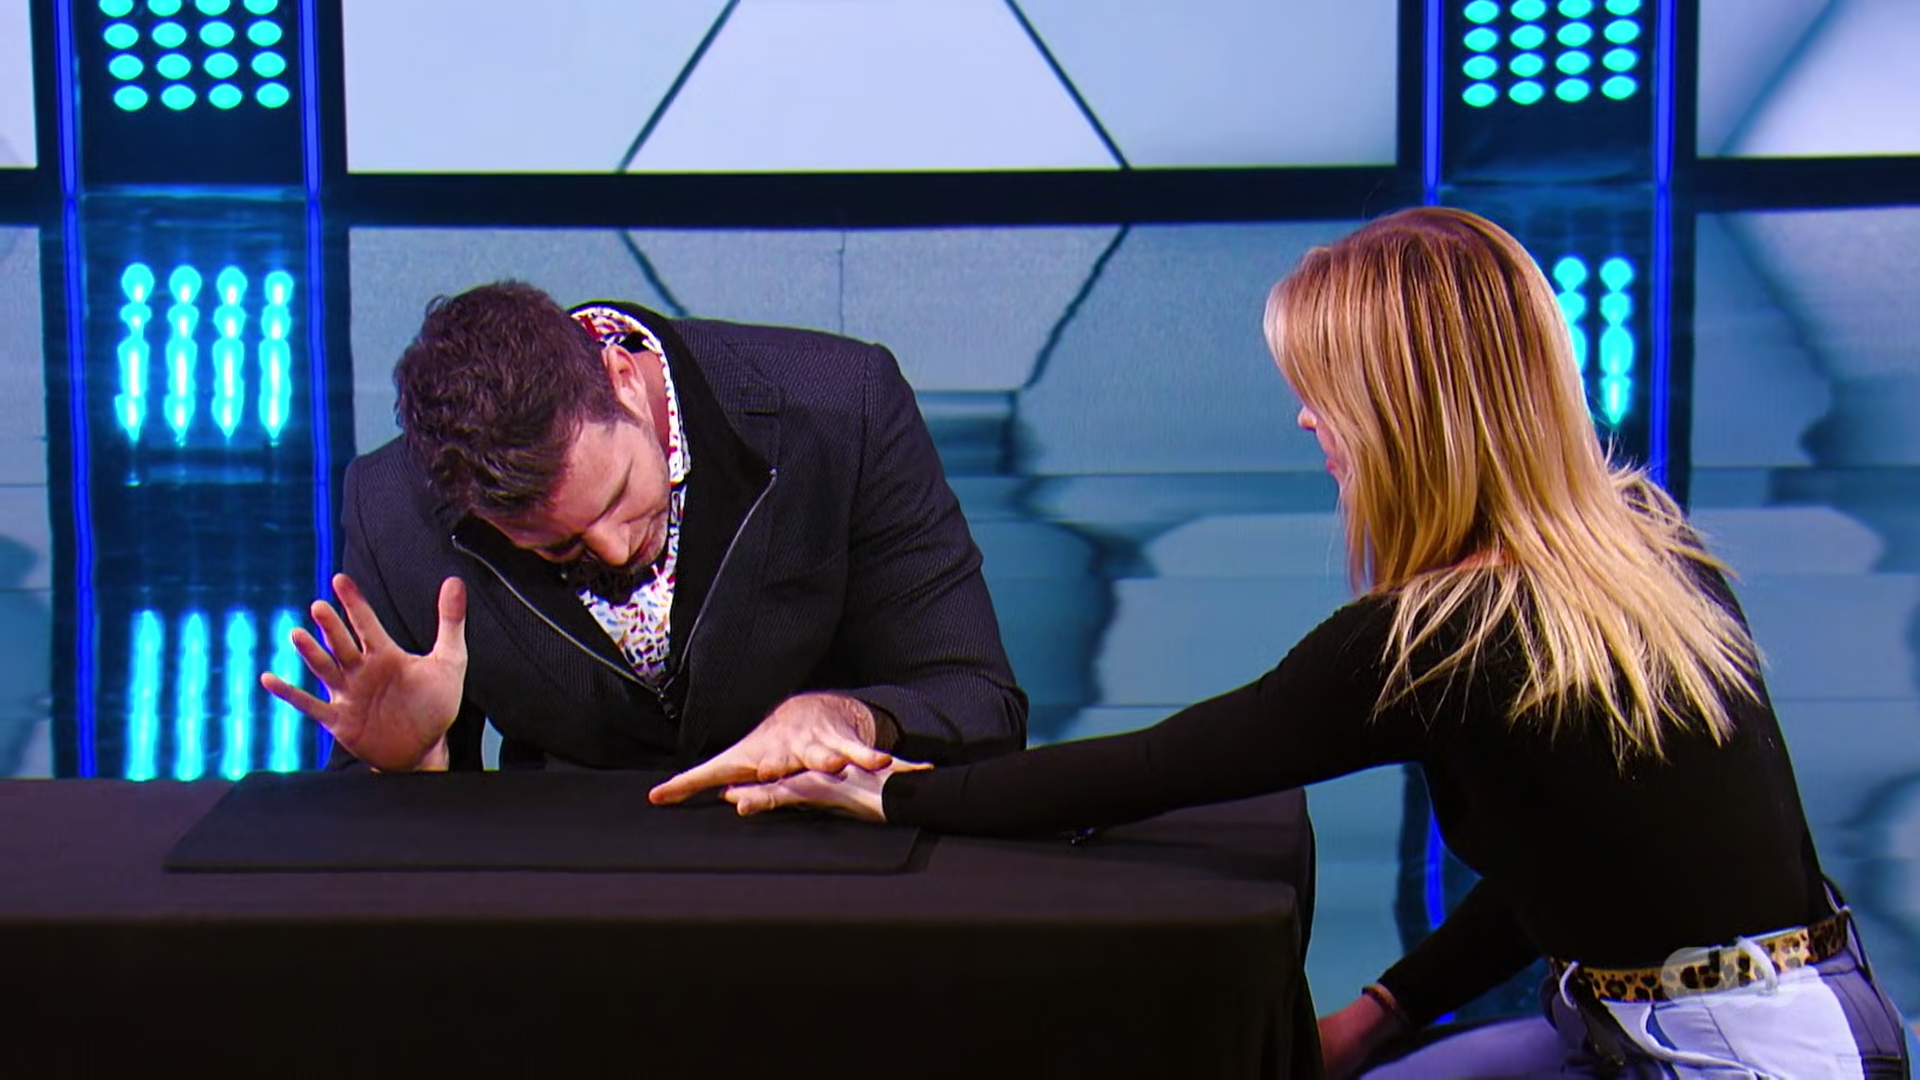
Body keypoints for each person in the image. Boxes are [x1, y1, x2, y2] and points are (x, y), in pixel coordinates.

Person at [709, 208, 1912, 1078]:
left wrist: (887, 792)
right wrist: (1381, 1016)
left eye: (1323, 387)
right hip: (1655, 1017)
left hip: (1756, 1056)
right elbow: (1573, 863)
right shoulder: (1645, 551)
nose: (1302, 416)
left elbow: (1150, 770)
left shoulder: (1441, 641)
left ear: (1407, 410)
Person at [262, 282, 1026, 787]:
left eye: (618, 496)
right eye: (559, 548)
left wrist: (851, 718)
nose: (616, 549)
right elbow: (391, 857)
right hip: (567, 912)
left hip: (823, 882)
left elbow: (981, 704)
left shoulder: (840, 407)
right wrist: (410, 765)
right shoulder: (395, 512)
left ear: (622, 378)